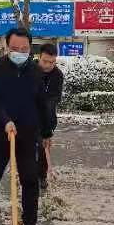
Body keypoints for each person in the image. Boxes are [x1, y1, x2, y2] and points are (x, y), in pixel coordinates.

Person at [0, 27, 51, 225]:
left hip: (28, 134)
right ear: (7, 47)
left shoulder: (36, 72)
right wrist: (5, 120)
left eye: (24, 48)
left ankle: (30, 223)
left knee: (30, 178)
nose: (19, 52)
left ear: (30, 48)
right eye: (15, 48)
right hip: (0, 132)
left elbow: (42, 104)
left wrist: (47, 131)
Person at [36, 43, 64, 190]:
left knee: (42, 147)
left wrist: (48, 131)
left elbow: (51, 102)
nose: (48, 65)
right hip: (28, 116)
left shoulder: (57, 76)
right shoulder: (29, 70)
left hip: (47, 118)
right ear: (39, 57)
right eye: (45, 61)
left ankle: (41, 176)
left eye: (52, 62)